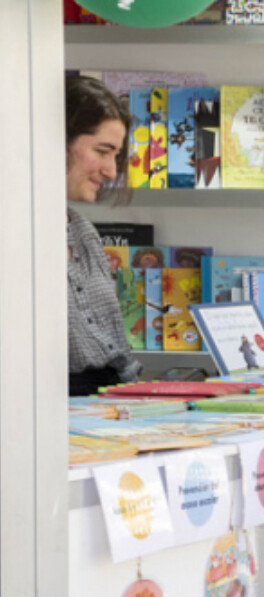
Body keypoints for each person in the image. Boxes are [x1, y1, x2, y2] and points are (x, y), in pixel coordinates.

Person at [65, 75, 140, 395]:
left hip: (106, 404)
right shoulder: (14, 236)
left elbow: (116, 350)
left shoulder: (82, 230)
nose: (111, 171)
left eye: (115, 155)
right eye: (102, 150)